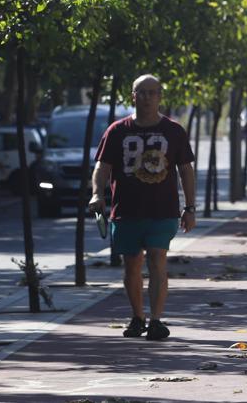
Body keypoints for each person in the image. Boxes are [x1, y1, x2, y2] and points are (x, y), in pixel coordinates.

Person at [89, 74, 196, 341]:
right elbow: (102, 167)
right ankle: (138, 317)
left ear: (160, 96)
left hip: (163, 210)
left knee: (158, 259)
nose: (147, 97)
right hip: (127, 210)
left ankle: (156, 321)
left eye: (152, 92)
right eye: (142, 92)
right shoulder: (117, 131)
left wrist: (190, 207)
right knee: (132, 265)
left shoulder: (174, 131)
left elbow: (185, 170)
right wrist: (96, 194)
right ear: (132, 96)